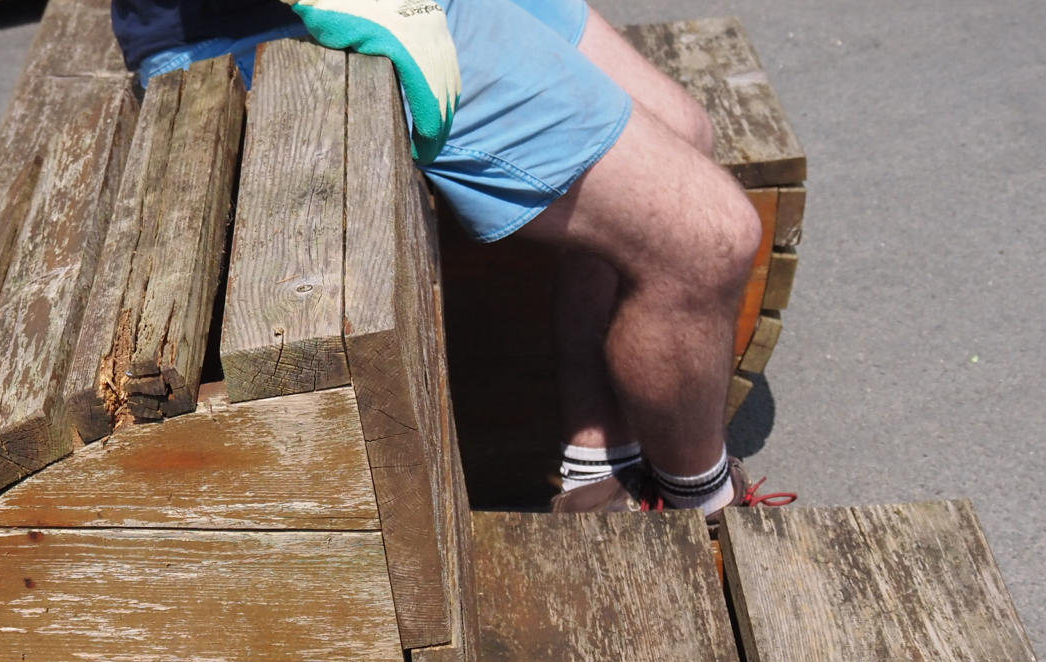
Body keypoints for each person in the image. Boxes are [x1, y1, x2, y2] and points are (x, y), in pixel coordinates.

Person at [110, 0, 792, 521]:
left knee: (684, 129)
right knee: (709, 238)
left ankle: (597, 474)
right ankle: (704, 511)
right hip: (273, 23)